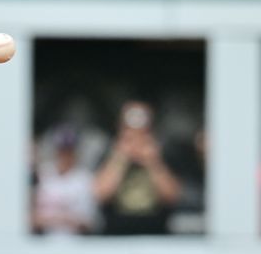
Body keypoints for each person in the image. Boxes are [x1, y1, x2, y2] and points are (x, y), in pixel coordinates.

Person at [93, 100, 182, 235]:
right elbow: (100, 194)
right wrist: (120, 158)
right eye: (130, 134)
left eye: (142, 133)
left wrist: (153, 162)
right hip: (116, 233)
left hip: (156, 233)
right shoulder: (109, 153)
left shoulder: (164, 154)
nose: (136, 140)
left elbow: (173, 197)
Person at [31, 125, 97, 236]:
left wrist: (53, 218)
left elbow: (89, 222)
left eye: (69, 151)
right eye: (61, 150)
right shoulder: (42, 174)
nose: (65, 156)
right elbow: (30, 218)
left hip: (76, 244)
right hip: (43, 243)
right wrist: (63, 218)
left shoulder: (85, 178)